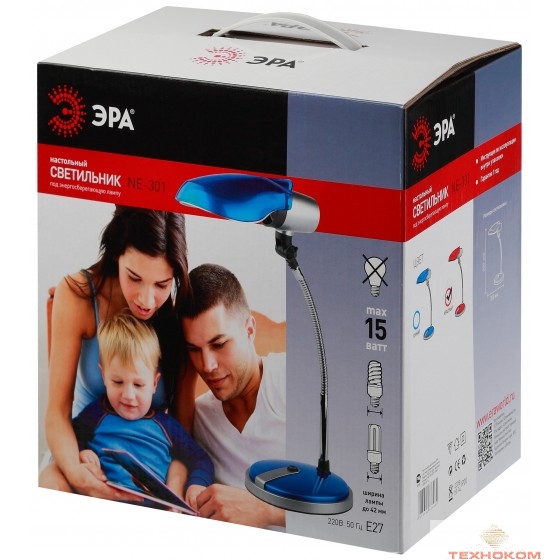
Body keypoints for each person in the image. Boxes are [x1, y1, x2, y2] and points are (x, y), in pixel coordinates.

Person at [39, 205, 194, 501]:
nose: (147, 300)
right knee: (49, 487)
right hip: (83, 454)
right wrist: (81, 478)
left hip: (146, 468)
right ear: (115, 254)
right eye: (134, 278)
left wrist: (171, 489)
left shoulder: (178, 320)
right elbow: (57, 413)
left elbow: (183, 436)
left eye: (162, 284)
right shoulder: (79, 295)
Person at [45, 312, 214, 510]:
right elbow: (70, 438)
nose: (128, 396)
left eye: (139, 385)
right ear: (103, 375)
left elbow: (201, 459)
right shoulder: (96, 414)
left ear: (154, 383)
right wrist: (83, 452)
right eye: (118, 382)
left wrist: (196, 484)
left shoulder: (168, 426)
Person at [180, 263, 286, 528]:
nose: (207, 365)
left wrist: (266, 510)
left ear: (249, 330)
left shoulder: (296, 381)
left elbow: (364, 503)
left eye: (218, 344)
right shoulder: (199, 417)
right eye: (194, 349)